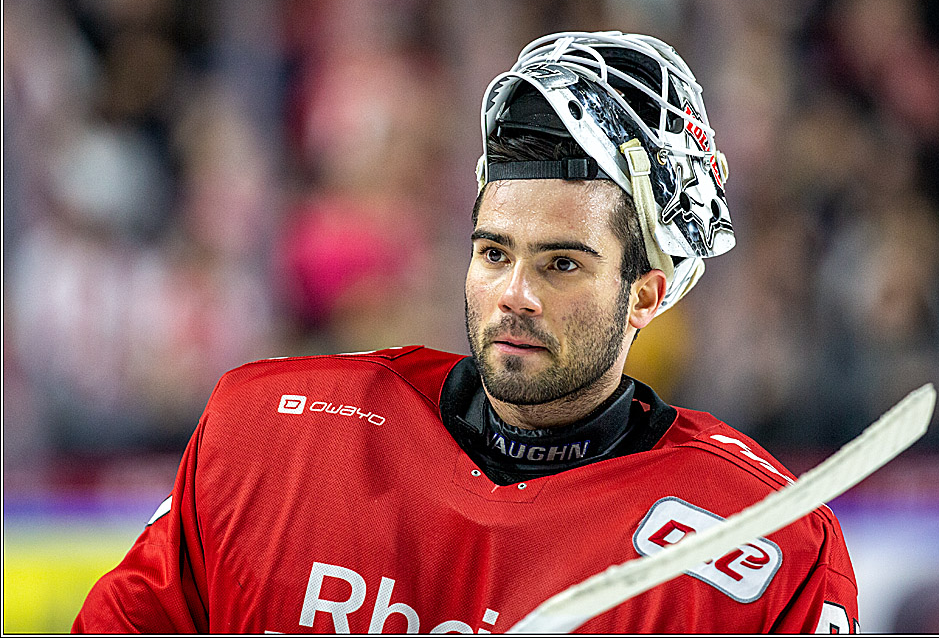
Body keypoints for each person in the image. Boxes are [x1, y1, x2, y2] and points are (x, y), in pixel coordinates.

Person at [73, 31, 859, 633]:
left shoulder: (767, 545)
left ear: (645, 295)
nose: (514, 294)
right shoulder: (268, 436)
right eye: (494, 252)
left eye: (561, 264)